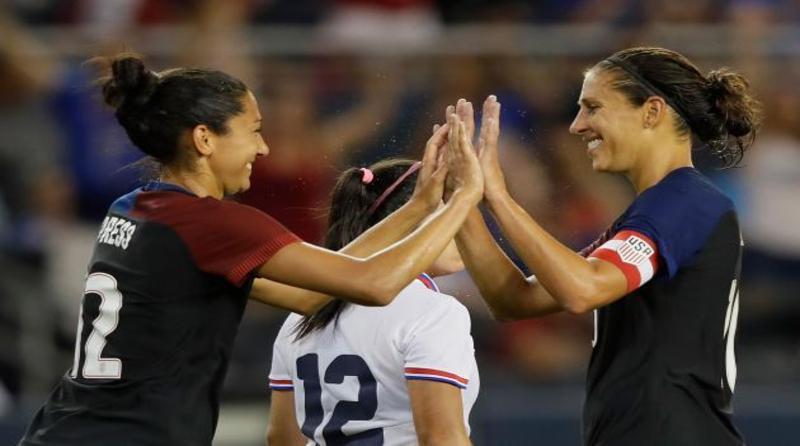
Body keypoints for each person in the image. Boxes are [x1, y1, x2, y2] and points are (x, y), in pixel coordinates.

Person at [18, 54, 483, 445]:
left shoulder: (134, 209)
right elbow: (373, 284)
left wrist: (419, 206)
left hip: (66, 428)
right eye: (252, 130)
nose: (262, 148)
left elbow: (309, 297)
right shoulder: (216, 224)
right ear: (204, 139)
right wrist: (461, 199)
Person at [455, 47, 761, 445]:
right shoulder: (653, 211)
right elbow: (513, 299)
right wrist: (463, 202)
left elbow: (584, 289)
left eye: (593, 107)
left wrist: (500, 197)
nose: (578, 125)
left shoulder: (684, 201)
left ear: (652, 112)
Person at [266, 130, 479, 446]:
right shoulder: (433, 313)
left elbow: (282, 438)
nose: (461, 225)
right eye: (447, 213)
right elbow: (441, 438)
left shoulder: (301, 317)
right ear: (414, 221)